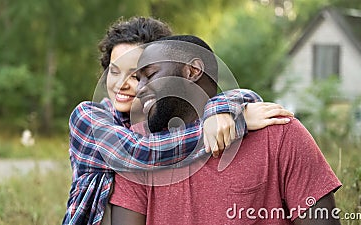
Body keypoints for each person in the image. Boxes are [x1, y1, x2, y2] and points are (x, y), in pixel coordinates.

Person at [63, 17, 293, 225]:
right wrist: (232, 123)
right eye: (114, 71)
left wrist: (221, 110)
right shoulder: (88, 117)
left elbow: (237, 97)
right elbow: (140, 152)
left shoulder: (165, 122)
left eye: (136, 75)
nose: (121, 84)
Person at [109, 35, 342, 224]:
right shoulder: (137, 150)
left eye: (149, 75)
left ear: (192, 71)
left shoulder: (280, 132)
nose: (139, 89)